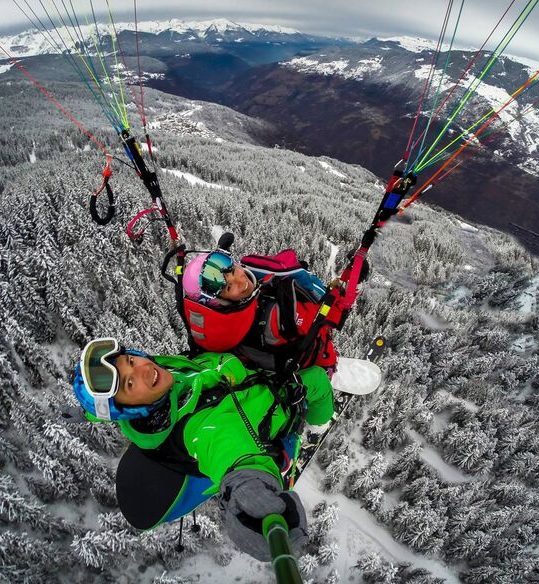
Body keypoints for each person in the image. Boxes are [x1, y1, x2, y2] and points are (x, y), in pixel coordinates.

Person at [72, 337, 335, 561]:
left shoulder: (165, 378)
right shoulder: (198, 429)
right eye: (129, 384)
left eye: (130, 361)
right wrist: (247, 492)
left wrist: (229, 368)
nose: (142, 370)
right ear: (130, 409)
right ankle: (318, 424)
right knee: (317, 379)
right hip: (278, 407)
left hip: (252, 381)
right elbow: (230, 453)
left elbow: (200, 366)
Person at [181, 238, 339, 375]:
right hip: (315, 363)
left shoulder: (218, 327)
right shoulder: (274, 315)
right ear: (219, 303)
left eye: (234, 270)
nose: (241, 281)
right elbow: (323, 321)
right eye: (229, 287)